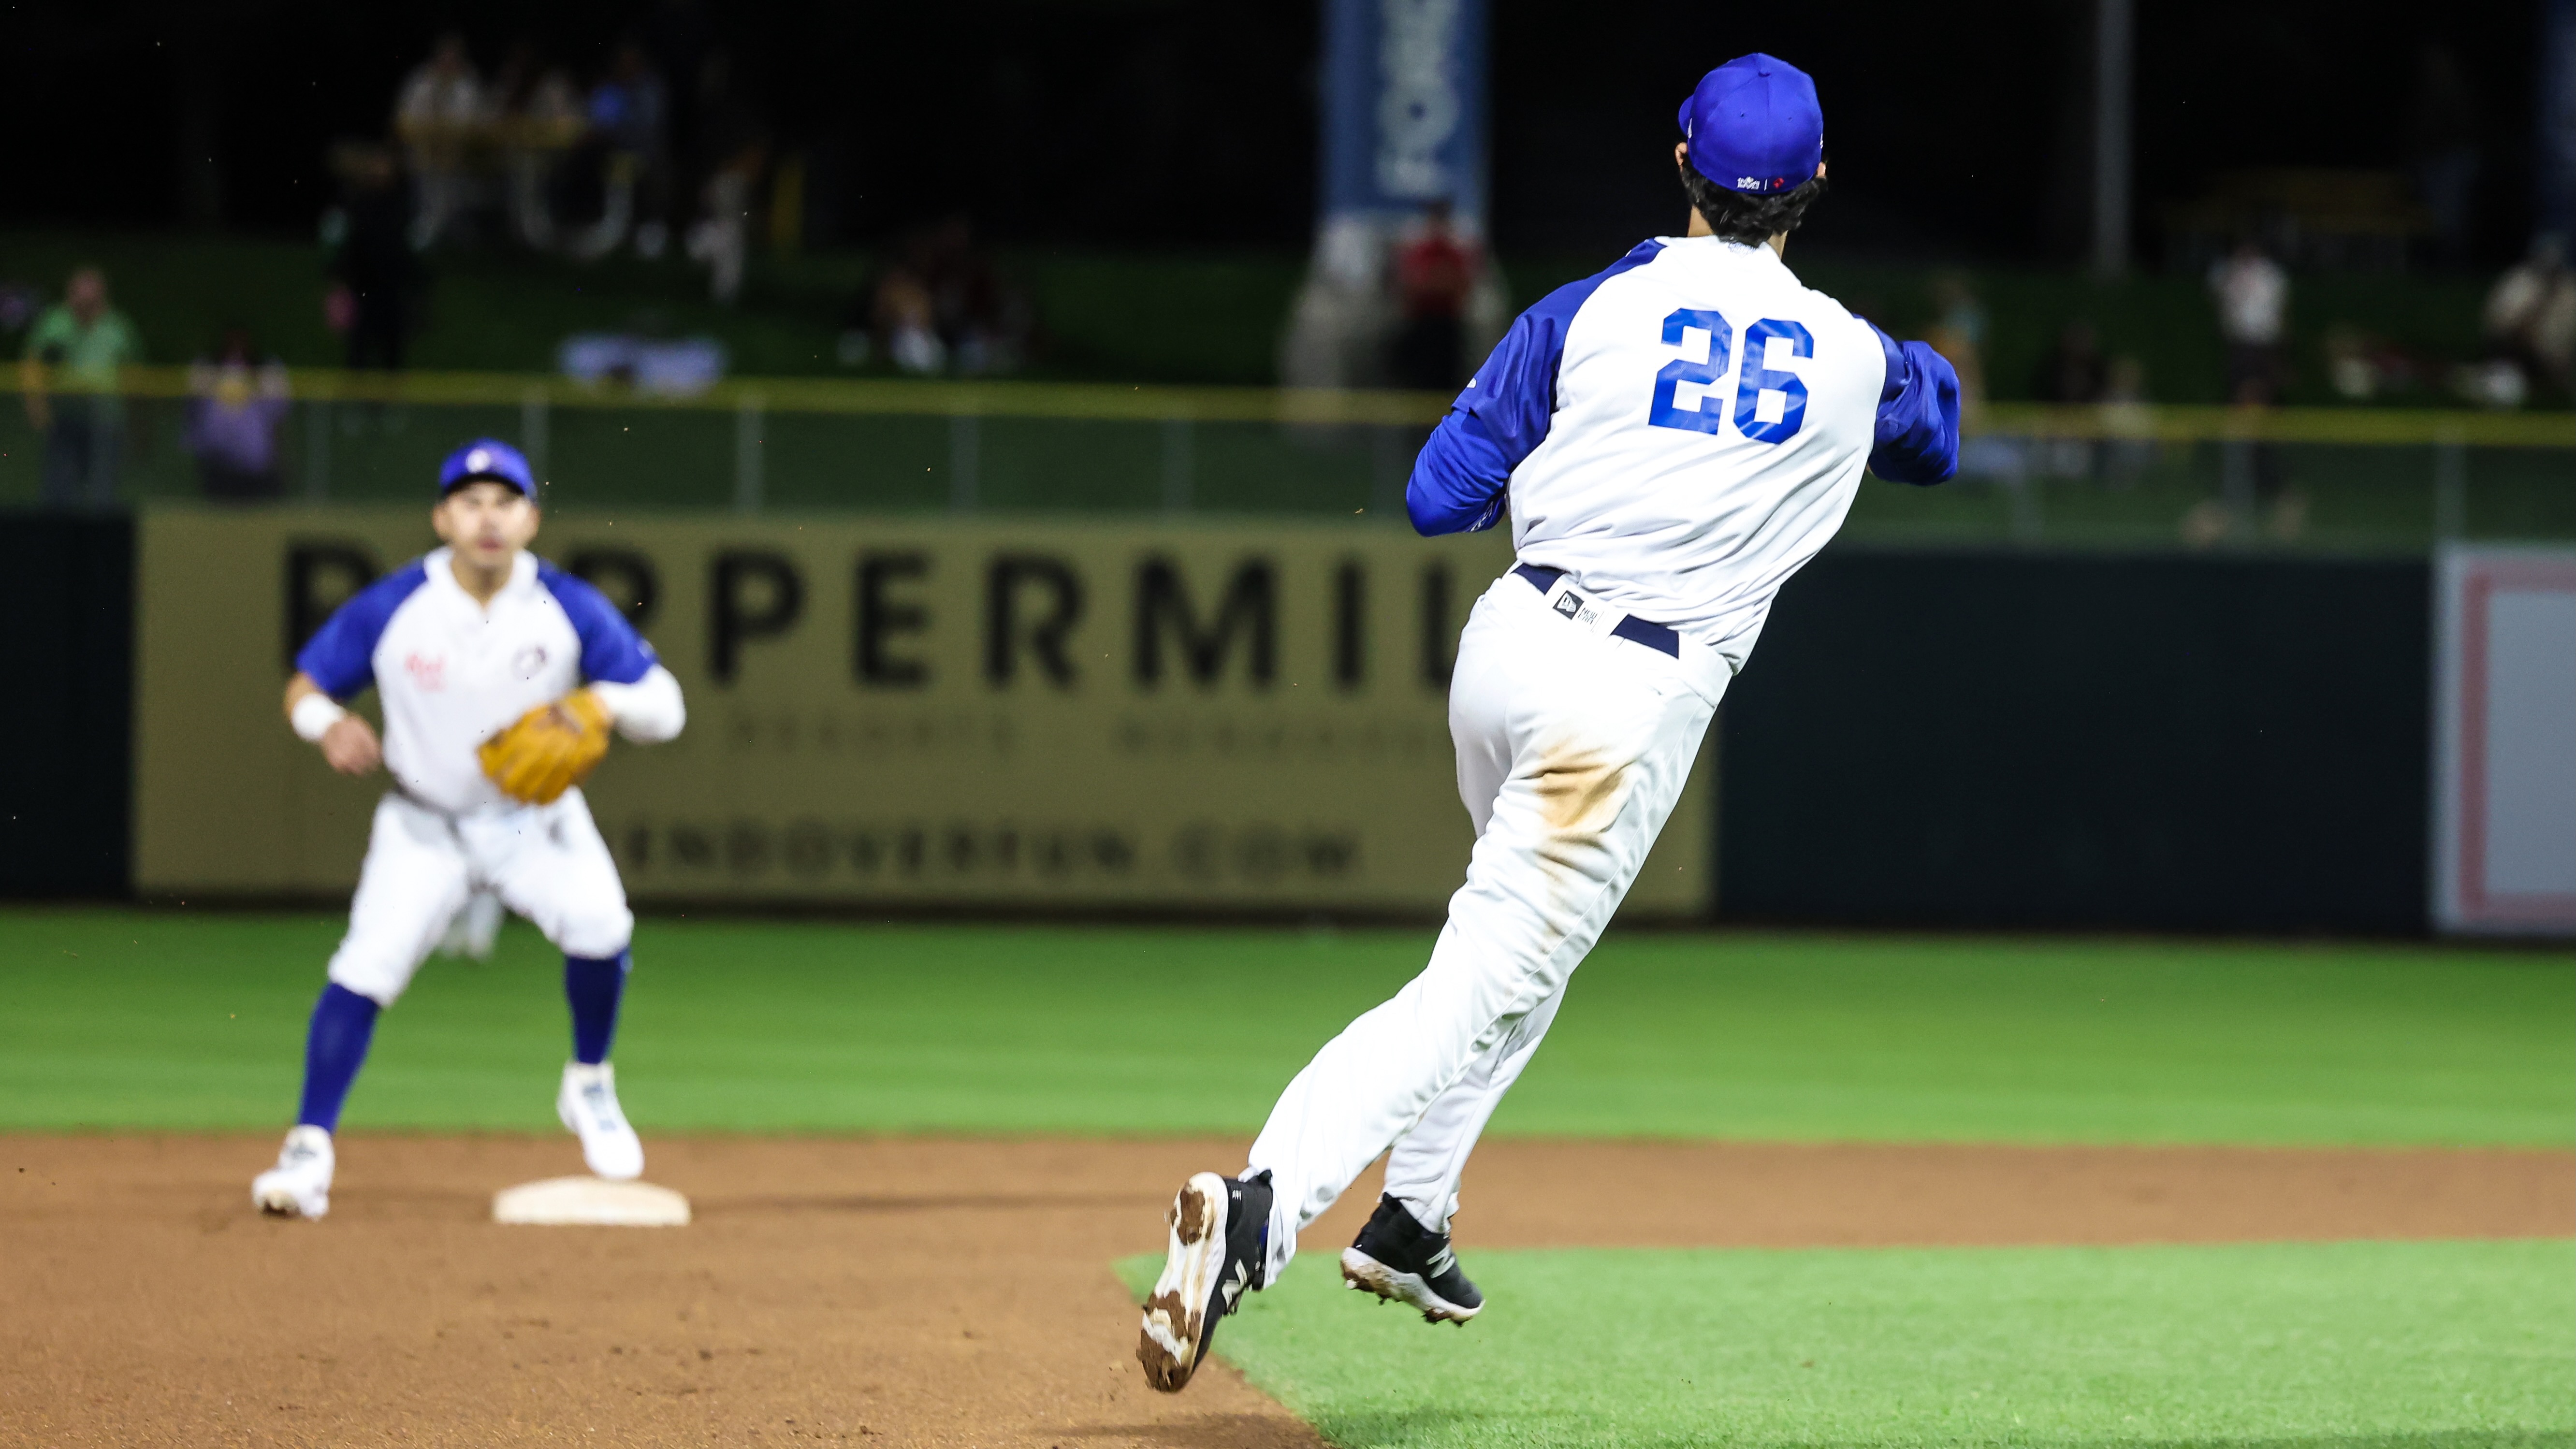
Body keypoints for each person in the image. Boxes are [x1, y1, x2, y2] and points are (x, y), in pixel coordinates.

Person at [1135, 53, 1958, 1391]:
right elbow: (1938, 434)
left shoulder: (1585, 313)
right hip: (1621, 711)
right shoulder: (1862, 360)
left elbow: (1436, 498)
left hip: (1508, 652)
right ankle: (1256, 1211)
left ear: (1680, 166)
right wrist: (1898, 372)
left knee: (1517, 963)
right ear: (1813, 188)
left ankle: (1415, 1215)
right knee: (1478, 981)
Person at [249, 439, 688, 1220]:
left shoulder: (567, 604)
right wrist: (326, 724)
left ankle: (588, 1083)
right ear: (443, 517)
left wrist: (607, 703)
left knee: (601, 923)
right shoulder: (397, 604)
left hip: (531, 820)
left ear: (531, 518)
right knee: (365, 967)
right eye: (471, 501)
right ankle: (307, 1148)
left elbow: (667, 705)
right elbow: (304, 684)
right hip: (424, 822)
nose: (488, 517)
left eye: (505, 501)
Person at [19, 266, 141, 509]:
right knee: (59, 489)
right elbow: (32, 366)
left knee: (101, 492)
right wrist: (36, 406)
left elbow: (135, 375)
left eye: (91, 298)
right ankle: (56, 542)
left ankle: (97, 543)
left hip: (106, 418)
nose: (84, 304)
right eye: (79, 297)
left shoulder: (117, 326)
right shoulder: (55, 321)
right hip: (64, 415)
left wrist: (138, 422)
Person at [186, 325, 292, 501]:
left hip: (254, 463)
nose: (237, 348)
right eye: (231, 342)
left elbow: (278, 420)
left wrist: (282, 458)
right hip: (218, 460)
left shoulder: (265, 371)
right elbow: (194, 412)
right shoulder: (209, 367)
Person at [1391, 200, 1482, 391]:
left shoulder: (1454, 250)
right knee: (1415, 375)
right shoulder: (1420, 249)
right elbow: (1410, 286)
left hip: (1449, 326)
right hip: (1421, 323)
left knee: (1448, 377)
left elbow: (1462, 285)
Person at [2208, 238, 2288, 406]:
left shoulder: (2270, 274)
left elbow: (2278, 306)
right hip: (2240, 340)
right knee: (2240, 384)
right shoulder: (2228, 270)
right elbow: (2218, 294)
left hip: (2265, 340)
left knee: (2264, 385)